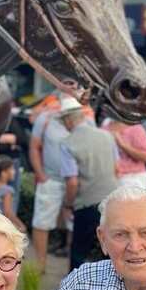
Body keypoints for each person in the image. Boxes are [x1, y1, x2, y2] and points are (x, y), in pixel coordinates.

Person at [28, 80, 94, 272]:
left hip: (75, 181)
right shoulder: (46, 118)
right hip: (51, 178)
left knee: (75, 224)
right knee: (42, 222)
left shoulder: (87, 119)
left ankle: (72, 268)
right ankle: (40, 265)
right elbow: (34, 146)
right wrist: (41, 174)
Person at [58, 97, 119, 272]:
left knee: (79, 252)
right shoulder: (107, 136)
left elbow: (72, 181)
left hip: (87, 203)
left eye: (63, 121)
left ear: (68, 120)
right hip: (111, 202)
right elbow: (116, 168)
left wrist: (68, 204)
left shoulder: (68, 144)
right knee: (109, 252)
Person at [100, 117, 146, 188]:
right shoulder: (104, 129)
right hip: (109, 180)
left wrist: (123, 144)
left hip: (133, 178)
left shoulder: (136, 129)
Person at [0, 155, 27, 232]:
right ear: (3, 173)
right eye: (12, 168)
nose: (14, 171)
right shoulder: (6, 191)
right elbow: (8, 212)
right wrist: (21, 225)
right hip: (1, 226)